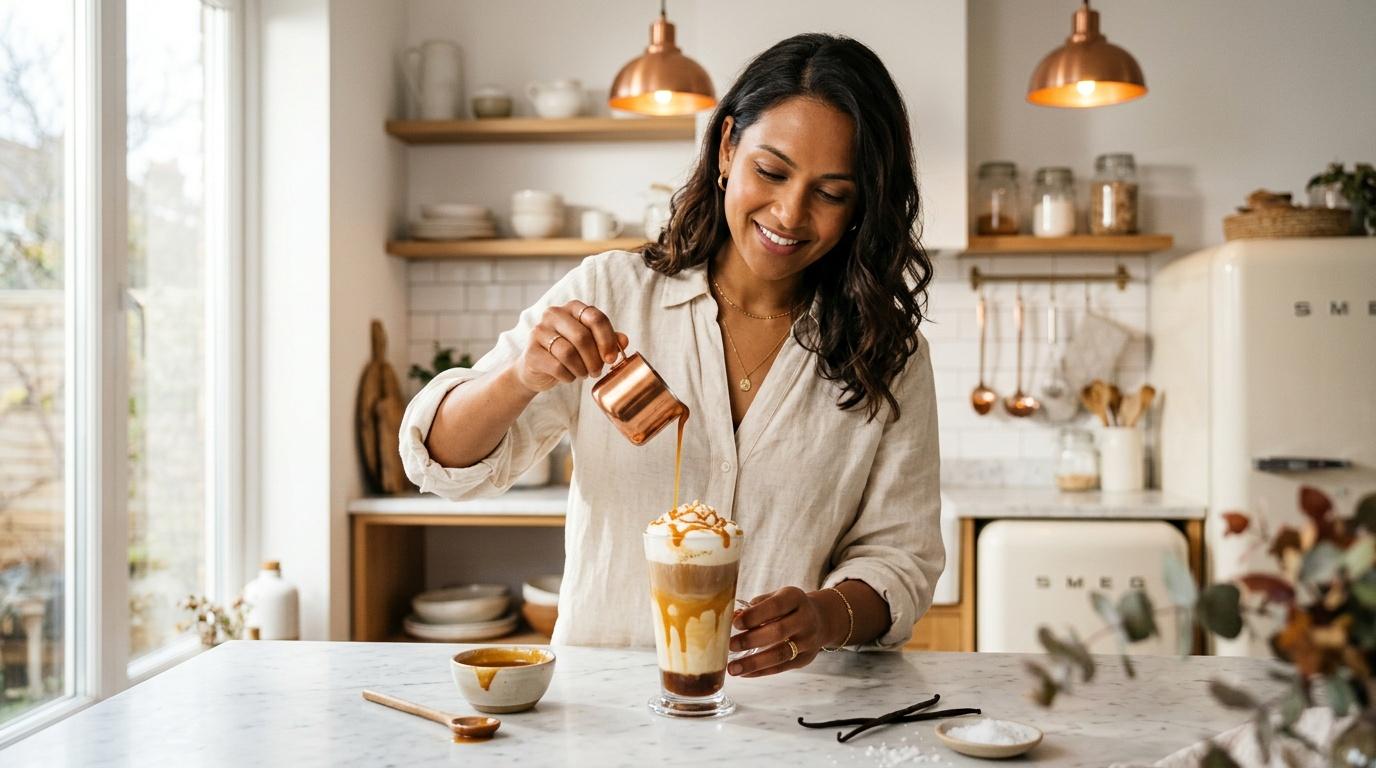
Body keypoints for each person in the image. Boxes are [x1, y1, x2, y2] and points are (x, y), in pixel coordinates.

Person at [400, 33, 942, 678]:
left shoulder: (888, 353)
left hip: (792, 713)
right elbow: (440, 462)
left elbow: (900, 560)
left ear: (863, 204)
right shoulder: (610, 294)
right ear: (726, 148)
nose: (790, 213)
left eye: (831, 193)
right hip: (605, 705)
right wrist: (522, 376)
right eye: (771, 172)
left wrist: (828, 615)